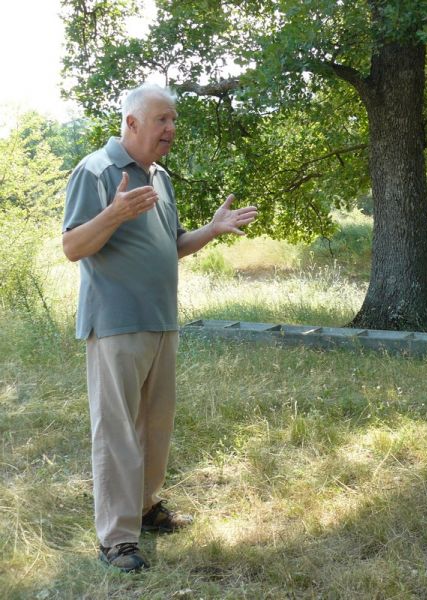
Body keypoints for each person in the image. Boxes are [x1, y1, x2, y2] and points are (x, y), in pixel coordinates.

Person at [62, 83, 258, 572]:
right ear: (131, 122)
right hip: (116, 323)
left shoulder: (160, 177)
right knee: (116, 432)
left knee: (155, 425)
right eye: (161, 120)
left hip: (162, 320)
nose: (171, 128)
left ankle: (146, 508)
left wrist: (212, 230)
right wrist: (113, 214)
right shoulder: (97, 170)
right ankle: (116, 539)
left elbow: (172, 245)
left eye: (173, 120)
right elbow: (73, 247)